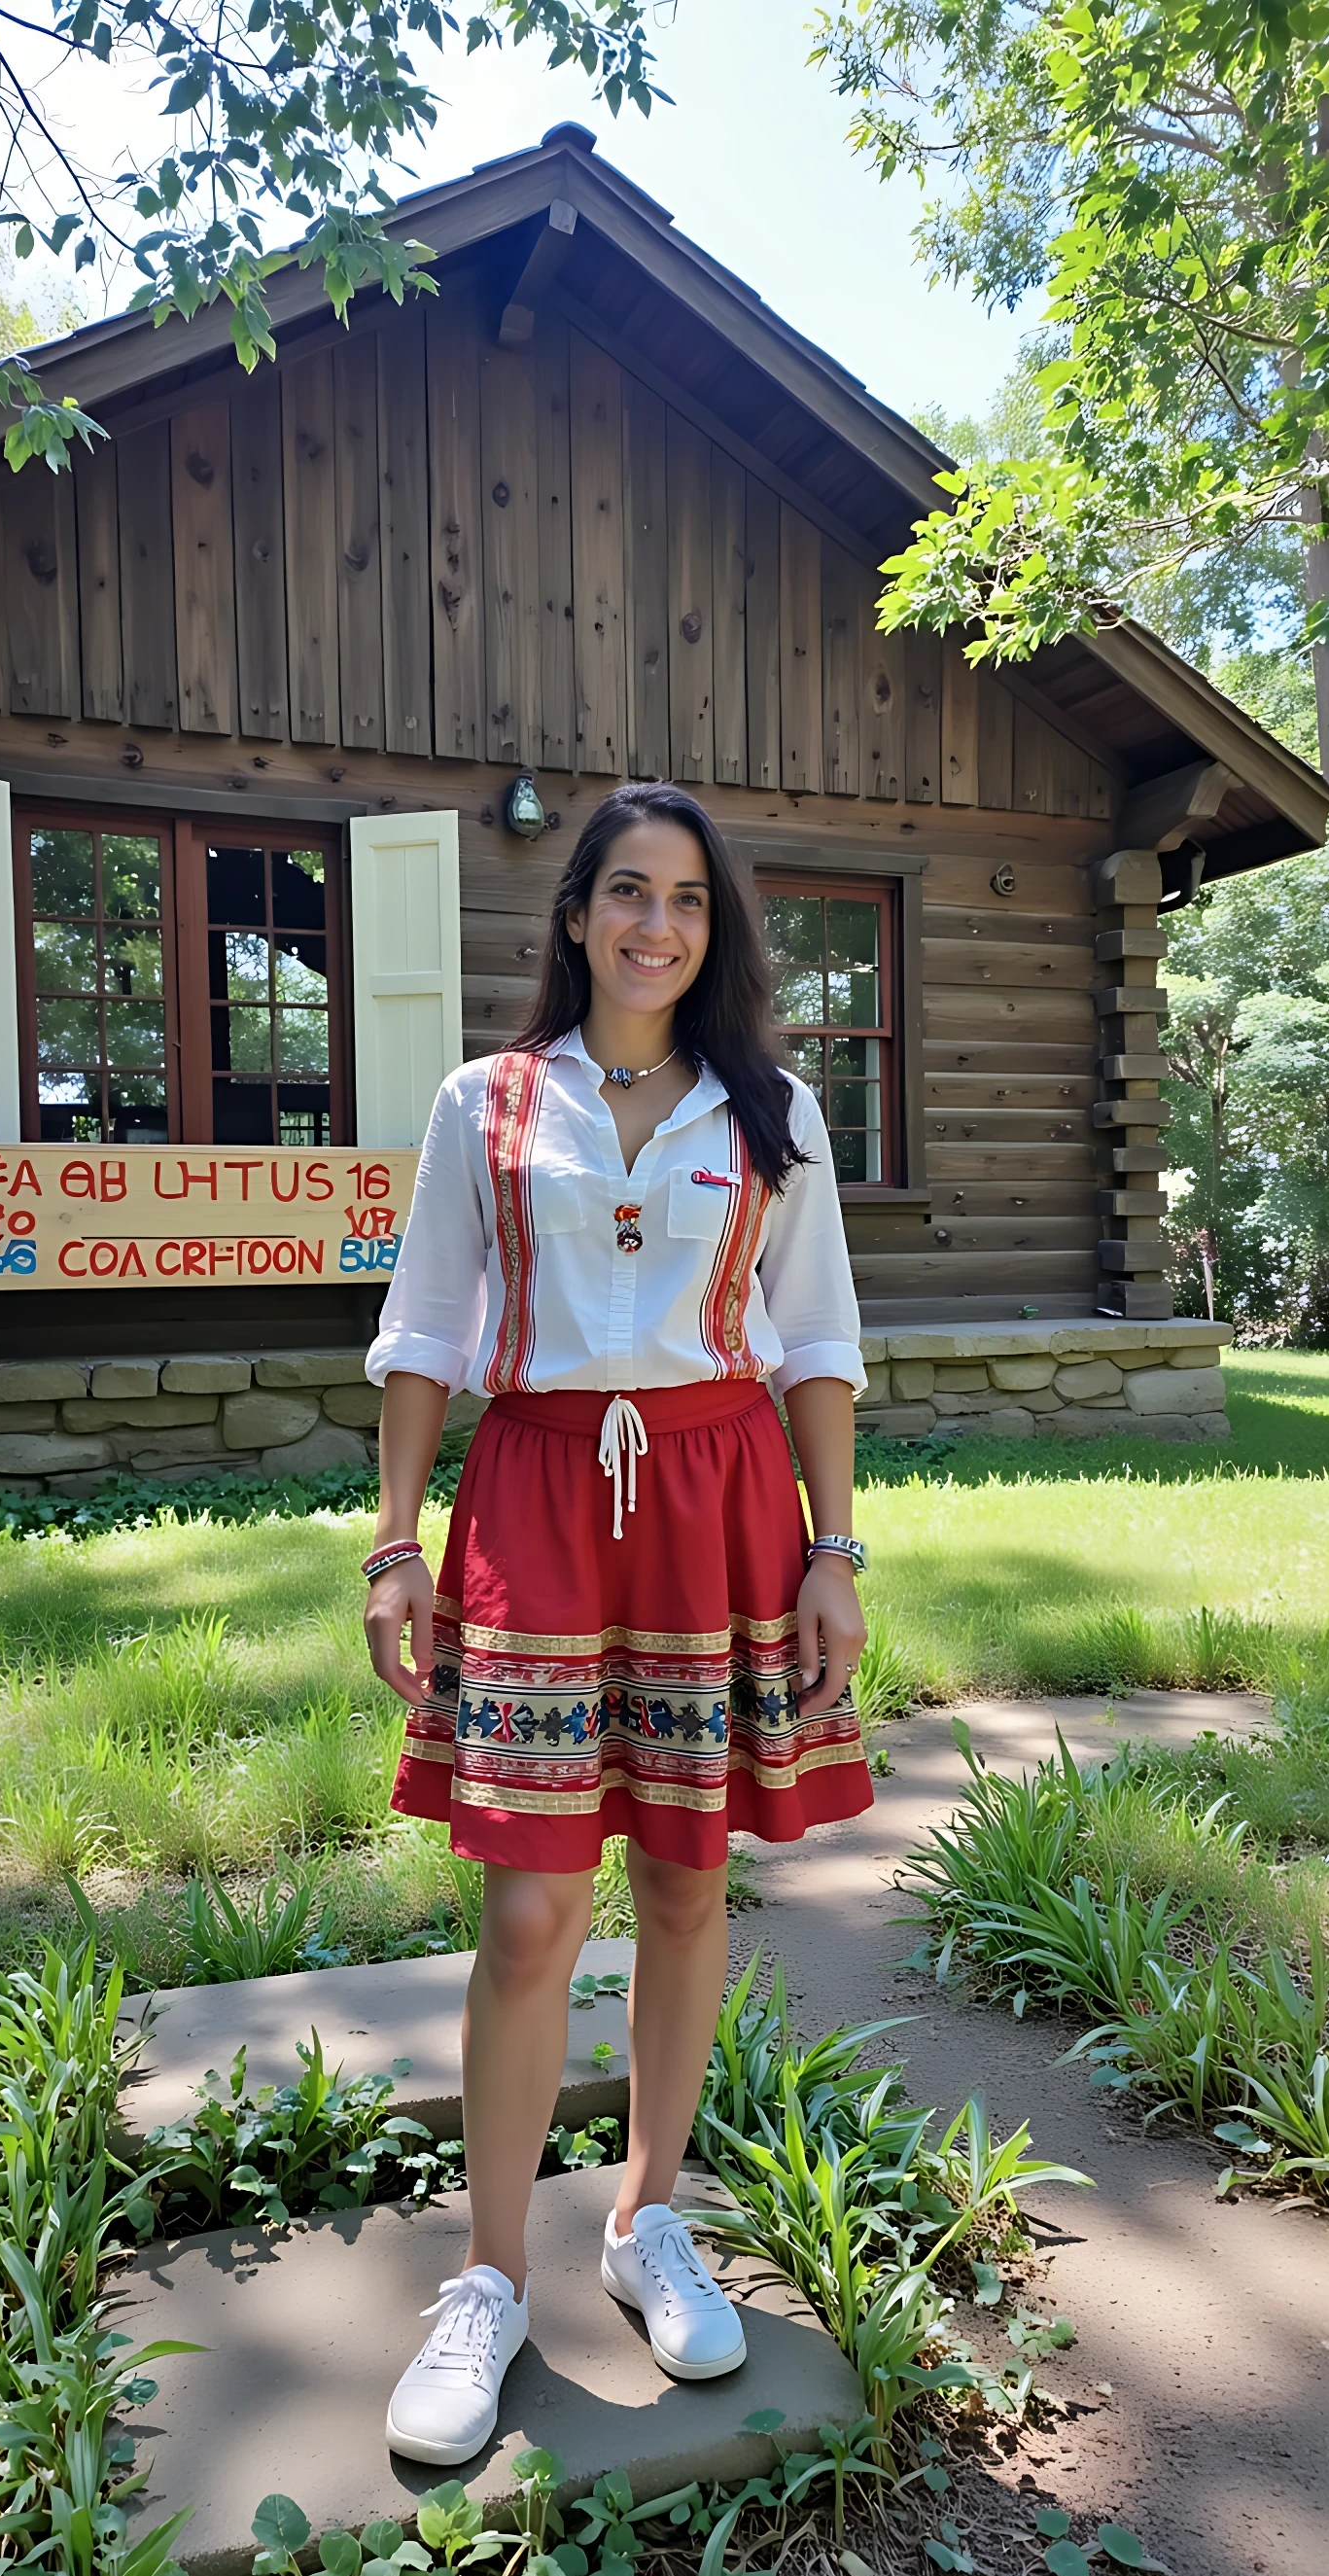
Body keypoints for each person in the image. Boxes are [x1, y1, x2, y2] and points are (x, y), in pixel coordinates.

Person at [362, 781, 873, 2467]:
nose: (659, 925)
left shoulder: (772, 1111)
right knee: (525, 1911)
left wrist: (836, 1550)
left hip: (725, 1504)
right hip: (534, 1499)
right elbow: (430, 1323)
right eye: (629, 893)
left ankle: (650, 2217)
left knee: (684, 1873)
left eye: (691, 902)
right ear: (576, 912)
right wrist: (392, 1547)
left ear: (713, 932)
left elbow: (814, 1343)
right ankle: (491, 2277)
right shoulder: (486, 1103)